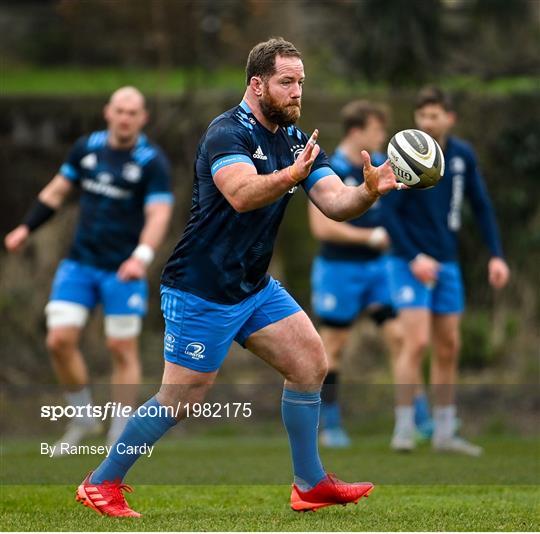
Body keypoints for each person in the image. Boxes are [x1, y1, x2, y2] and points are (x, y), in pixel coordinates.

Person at [74, 38, 402, 518]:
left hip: (252, 285)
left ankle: (309, 484)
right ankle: (100, 482)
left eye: (301, 83)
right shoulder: (226, 132)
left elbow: (335, 203)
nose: (297, 93)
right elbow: (242, 194)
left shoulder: (295, 140)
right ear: (257, 84)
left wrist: (368, 192)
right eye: (286, 82)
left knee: (311, 362)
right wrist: (292, 175)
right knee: (182, 397)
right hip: (201, 288)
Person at [4, 87, 174, 450]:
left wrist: (140, 257)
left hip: (122, 270)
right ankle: (83, 417)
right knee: (59, 340)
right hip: (79, 264)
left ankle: (120, 432)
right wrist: (25, 228)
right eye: (120, 110)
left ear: (142, 119)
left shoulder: (151, 161)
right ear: (108, 112)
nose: (125, 117)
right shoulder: (87, 148)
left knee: (120, 346)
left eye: (133, 112)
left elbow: (158, 214)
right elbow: (55, 193)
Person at [383, 86, 510, 455]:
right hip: (409, 262)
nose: (427, 122)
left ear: (449, 118)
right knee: (416, 342)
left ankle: (444, 433)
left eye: (434, 115)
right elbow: (388, 213)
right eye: (421, 115)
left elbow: (481, 205)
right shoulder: (402, 154)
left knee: (449, 346)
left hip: (447, 261)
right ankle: (404, 428)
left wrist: (496, 255)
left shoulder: (461, 156)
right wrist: (412, 257)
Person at [309, 100, 410, 448]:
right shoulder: (328, 168)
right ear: (357, 131)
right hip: (339, 269)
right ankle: (330, 424)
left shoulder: (383, 166)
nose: (382, 135)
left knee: (399, 336)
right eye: (377, 129)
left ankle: (411, 420)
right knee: (333, 346)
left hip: (378, 269)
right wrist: (370, 236)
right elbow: (322, 229)